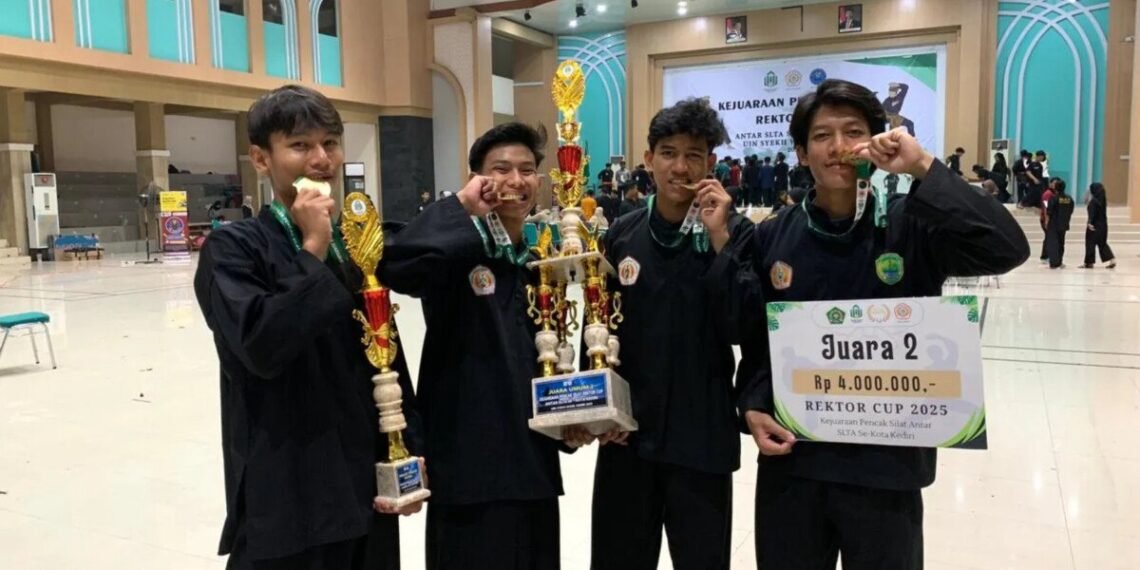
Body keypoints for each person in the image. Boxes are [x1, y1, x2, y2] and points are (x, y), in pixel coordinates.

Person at [699, 79, 1030, 570]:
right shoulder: (774, 237)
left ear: (876, 142)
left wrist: (922, 167)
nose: (838, 147)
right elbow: (755, 337)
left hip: (886, 469)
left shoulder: (910, 224)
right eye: (822, 136)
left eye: (853, 132)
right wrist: (752, 404)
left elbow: (1007, 248)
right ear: (801, 152)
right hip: (795, 463)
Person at [194, 85, 424, 570]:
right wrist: (312, 247)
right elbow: (262, 345)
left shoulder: (353, 243)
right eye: (300, 145)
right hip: (289, 488)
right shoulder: (234, 249)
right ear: (261, 158)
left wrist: (409, 448)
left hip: (364, 482)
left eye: (330, 143)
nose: (321, 159)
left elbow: (386, 351)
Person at [378, 123, 599, 570]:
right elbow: (393, 263)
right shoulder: (454, 253)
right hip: (468, 469)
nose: (515, 180)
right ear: (476, 179)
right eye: (500, 169)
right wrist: (460, 208)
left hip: (533, 467)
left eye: (526, 170)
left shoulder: (541, 265)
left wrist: (569, 421)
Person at [590, 98, 749, 570]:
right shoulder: (621, 234)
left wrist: (720, 241)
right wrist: (598, 408)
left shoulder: (736, 233)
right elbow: (598, 325)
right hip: (627, 436)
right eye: (668, 153)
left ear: (711, 163)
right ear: (648, 160)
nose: (680, 167)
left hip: (702, 438)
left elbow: (743, 325)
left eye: (694, 155)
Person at [1082, 182, 1116, 269]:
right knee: (1102, 243)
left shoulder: (1093, 202)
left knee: (1090, 243)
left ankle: (1089, 262)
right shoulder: (1102, 201)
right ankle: (1112, 259)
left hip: (1094, 225)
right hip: (1103, 225)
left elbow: (1092, 214)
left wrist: (1089, 222)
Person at [1045, 178, 1074, 269]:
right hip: (1064, 224)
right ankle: (1060, 261)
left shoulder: (1053, 198)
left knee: (1053, 243)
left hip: (1054, 224)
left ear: (1056, 188)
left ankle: (1054, 263)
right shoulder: (1069, 198)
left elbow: (1049, 211)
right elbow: (1071, 210)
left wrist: (1047, 222)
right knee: (1061, 243)